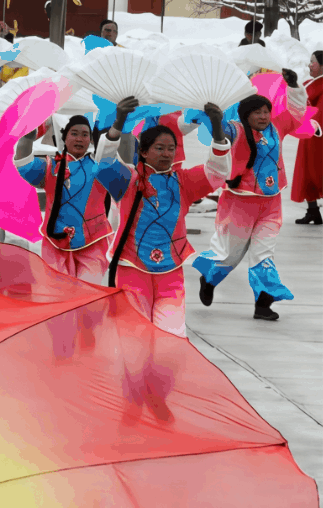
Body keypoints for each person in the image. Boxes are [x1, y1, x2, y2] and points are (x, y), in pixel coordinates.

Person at [97, 108, 230, 337]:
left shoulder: (185, 182)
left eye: (171, 149)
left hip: (171, 271)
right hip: (131, 268)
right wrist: (118, 121)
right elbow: (104, 163)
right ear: (144, 152)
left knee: (172, 338)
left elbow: (218, 171)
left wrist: (217, 130)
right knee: (133, 336)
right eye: (159, 148)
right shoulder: (128, 179)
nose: (167, 154)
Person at [193, 85, 306, 321]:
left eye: (266, 111)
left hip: (271, 203)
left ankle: (263, 303)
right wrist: (212, 114)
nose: (263, 116)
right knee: (230, 255)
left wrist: (294, 87)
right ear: (246, 115)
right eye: (257, 112)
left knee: (264, 255)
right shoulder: (234, 130)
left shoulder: (277, 127)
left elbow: (296, 113)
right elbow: (219, 132)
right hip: (239, 203)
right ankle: (209, 279)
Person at [12, 102, 134, 283]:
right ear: (64, 137)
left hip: (94, 242)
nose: (79, 139)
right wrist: (29, 132)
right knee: (59, 297)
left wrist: (120, 120)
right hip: (55, 242)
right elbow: (23, 161)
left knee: (87, 296)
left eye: (85, 135)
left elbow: (114, 152)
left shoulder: (100, 167)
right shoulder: (50, 166)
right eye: (74, 134)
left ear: (91, 141)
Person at [292, 52, 322, 224]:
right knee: (307, 173)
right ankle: (313, 211)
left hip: (316, 134)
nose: (310, 65)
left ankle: (313, 211)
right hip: (309, 134)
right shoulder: (310, 83)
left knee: (316, 172)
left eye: (313, 62)